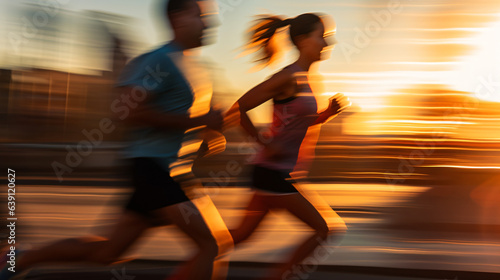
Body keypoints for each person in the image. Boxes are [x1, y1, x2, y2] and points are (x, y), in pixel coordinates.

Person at [0, 1, 233, 280]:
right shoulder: (160, 60)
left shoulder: (192, 66)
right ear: (178, 18)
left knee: (108, 253)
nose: (210, 23)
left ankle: (18, 258)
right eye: (202, 16)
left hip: (174, 171)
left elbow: (186, 117)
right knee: (212, 244)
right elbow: (126, 110)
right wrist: (199, 123)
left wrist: (206, 134)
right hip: (155, 170)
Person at [226, 13, 349, 280]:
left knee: (239, 236)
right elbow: (239, 108)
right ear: (304, 40)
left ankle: (199, 249)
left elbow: (297, 123)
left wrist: (326, 115)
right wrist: (262, 143)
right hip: (272, 173)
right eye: (323, 36)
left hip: (275, 171)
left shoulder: (308, 79)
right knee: (325, 229)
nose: (329, 42)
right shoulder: (287, 77)